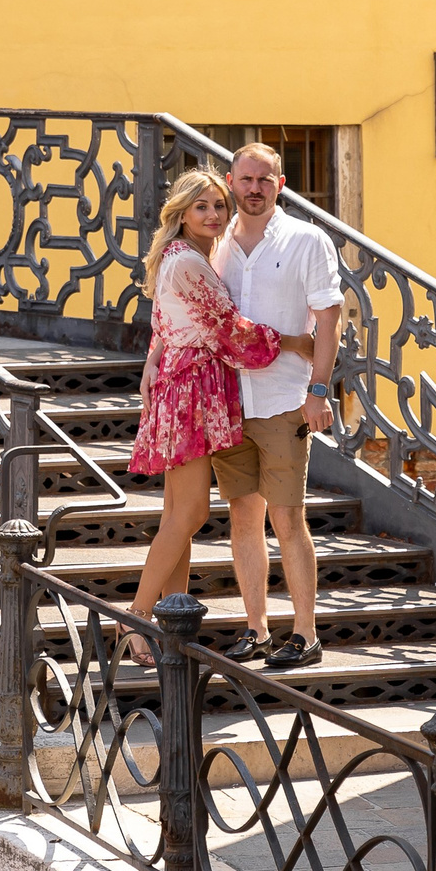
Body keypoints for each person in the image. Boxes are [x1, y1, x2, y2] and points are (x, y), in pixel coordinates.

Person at [124, 167, 314, 661]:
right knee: (190, 513)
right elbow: (230, 331)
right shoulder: (190, 261)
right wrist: (296, 343)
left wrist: (153, 358)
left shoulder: (181, 254)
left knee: (176, 516)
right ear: (182, 212)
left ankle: (172, 619)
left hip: (182, 384)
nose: (213, 214)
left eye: (218, 206)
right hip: (190, 389)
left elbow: (165, 321)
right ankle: (136, 618)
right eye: (201, 206)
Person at [210, 143, 343, 670]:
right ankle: (257, 629)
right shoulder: (216, 243)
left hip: (285, 400)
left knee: (288, 518)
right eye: (246, 179)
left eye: (265, 179)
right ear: (230, 181)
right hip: (228, 401)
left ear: (280, 184)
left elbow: (329, 319)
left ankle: (306, 634)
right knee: (243, 518)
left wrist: (319, 390)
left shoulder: (307, 240)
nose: (255, 189)